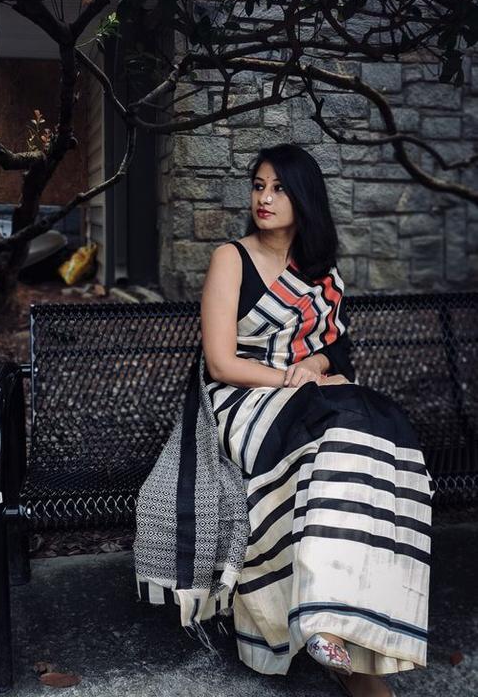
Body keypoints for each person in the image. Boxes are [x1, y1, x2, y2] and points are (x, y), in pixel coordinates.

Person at [134, 143, 434, 697]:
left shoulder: (320, 273)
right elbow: (221, 363)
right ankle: (334, 637)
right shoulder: (232, 258)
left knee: (375, 430)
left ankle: (342, 627)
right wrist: (296, 380)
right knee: (335, 434)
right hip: (238, 401)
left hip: (299, 398)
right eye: (258, 186)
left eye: (278, 188)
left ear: (304, 198)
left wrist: (315, 366)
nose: (264, 198)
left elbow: (335, 352)